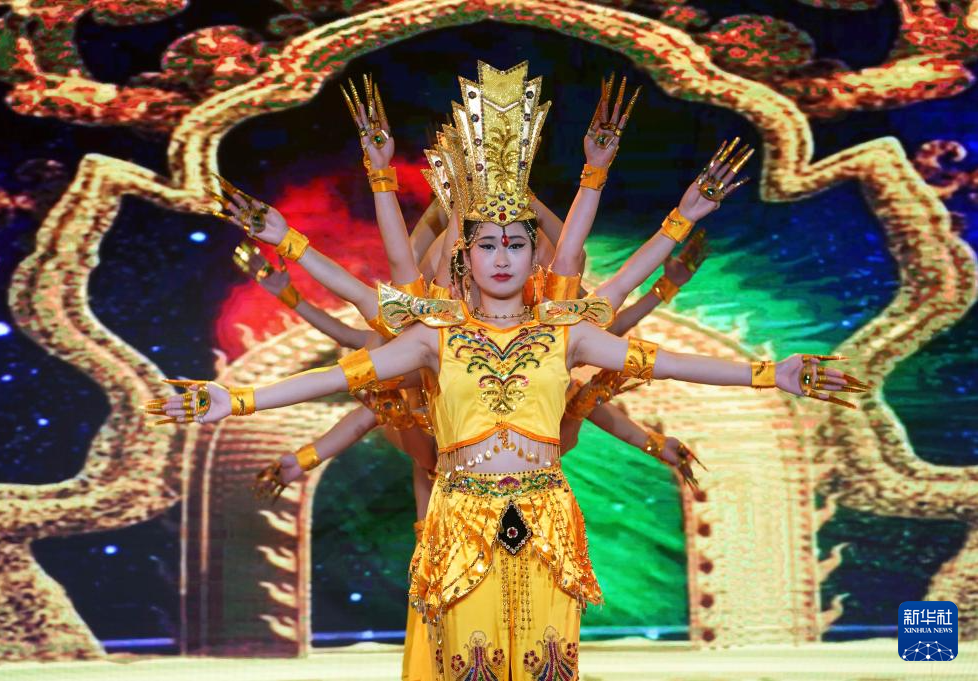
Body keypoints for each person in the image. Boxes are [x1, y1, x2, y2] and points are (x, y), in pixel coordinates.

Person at [151, 62, 869, 679]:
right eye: (488, 244)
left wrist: (770, 375)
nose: (502, 256)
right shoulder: (433, 336)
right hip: (459, 511)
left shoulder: (567, 334)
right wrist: (235, 400)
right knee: (470, 661)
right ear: (466, 256)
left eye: (517, 244)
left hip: (546, 514)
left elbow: (668, 363)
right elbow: (340, 375)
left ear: (534, 256)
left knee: (546, 660)